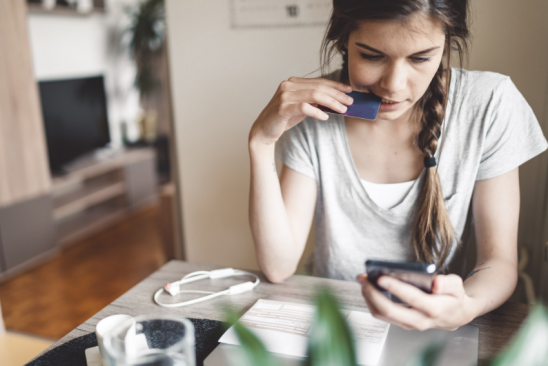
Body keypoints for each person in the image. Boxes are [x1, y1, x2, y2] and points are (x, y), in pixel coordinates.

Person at [247, 0, 547, 331]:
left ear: (447, 42)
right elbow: (278, 266)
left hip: (437, 331)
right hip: (336, 329)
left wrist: (467, 305)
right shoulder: (313, 111)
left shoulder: (489, 104)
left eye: (420, 58)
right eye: (373, 56)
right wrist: (260, 143)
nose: (394, 84)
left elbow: (498, 262)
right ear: (343, 39)